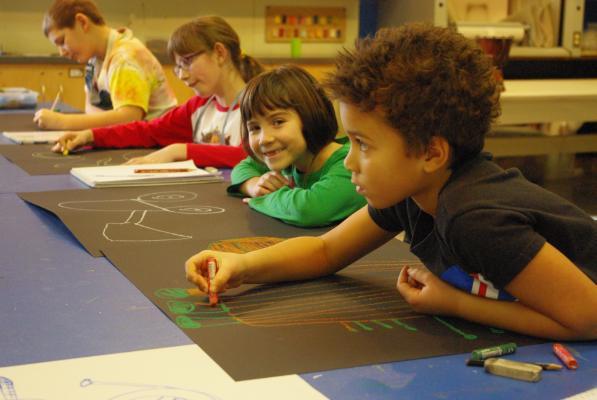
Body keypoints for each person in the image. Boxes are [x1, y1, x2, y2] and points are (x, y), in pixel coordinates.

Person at [185, 24, 597, 340]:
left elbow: (588, 318)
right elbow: (327, 250)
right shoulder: (415, 190)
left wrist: (456, 303)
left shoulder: (475, 217)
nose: (349, 161)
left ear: (431, 153)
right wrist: (241, 266)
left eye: (363, 144)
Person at [52, 16, 263, 168]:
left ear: (219, 53)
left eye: (187, 62)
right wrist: (91, 136)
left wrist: (179, 151)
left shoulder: (260, 105)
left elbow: (252, 155)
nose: (181, 75)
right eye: (178, 67)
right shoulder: (198, 107)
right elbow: (148, 131)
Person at [227, 65, 366, 227]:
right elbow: (242, 168)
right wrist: (254, 186)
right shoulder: (292, 157)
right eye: (255, 128)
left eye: (278, 122)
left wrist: (263, 198)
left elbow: (308, 209)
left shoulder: (349, 165)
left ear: (311, 116)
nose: (264, 139)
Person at [36, 0, 176, 130]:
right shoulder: (93, 59)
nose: (61, 53)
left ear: (82, 22)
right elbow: (90, 107)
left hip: (157, 143)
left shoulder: (125, 58)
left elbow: (129, 118)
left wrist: (63, 122)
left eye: (62, 41)